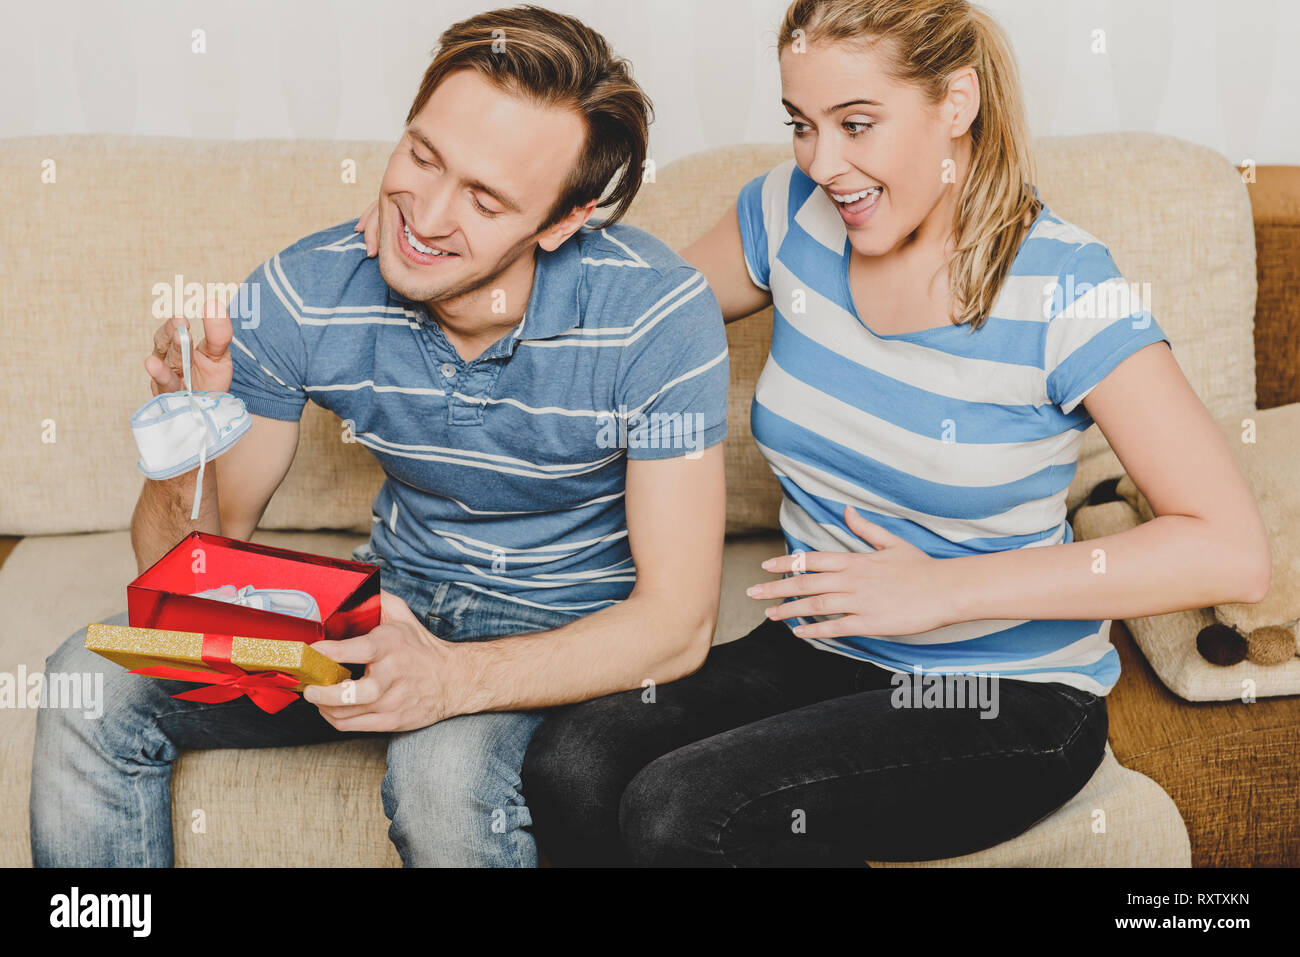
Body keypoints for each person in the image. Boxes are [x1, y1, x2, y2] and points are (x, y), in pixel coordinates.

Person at [510, 0, 1272, 866]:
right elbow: (631, 319)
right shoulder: (786, 213)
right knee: (573, 760)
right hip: (820, 649)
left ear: (956, 103)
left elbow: (1230, 549)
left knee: (681, 809)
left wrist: (943, 590)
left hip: (1000, 692)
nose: (824, 163)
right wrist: (508, 227)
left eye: (857, 124)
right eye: (802, 124)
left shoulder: (1065, 286)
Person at [30, 4, 729, 868]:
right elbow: (186, 579)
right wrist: (188, 449)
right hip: (385, 601)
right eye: (423, 157)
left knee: (440, 779)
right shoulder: (308, 287)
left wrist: (450, 679)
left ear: (561, 221)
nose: (425, 215)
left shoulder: (656, 314)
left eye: (484, 198)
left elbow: (677, 625)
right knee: (86, 678)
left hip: (556, 626)